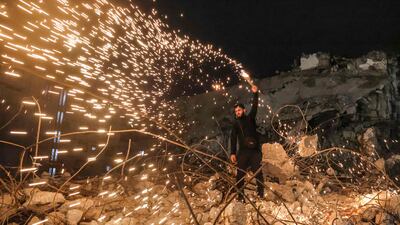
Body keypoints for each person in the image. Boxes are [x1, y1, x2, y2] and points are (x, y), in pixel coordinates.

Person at [230, 85, 264, 202]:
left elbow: (255, 107)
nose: (238, 112)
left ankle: (261, 195)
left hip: (254, 151)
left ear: (244, 110)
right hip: (243, 152)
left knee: (258, 173)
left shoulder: (250, 118)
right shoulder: (235, 124)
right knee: (240, 176)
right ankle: (241, 198)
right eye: (236, 111)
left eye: (239, 110)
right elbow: (233, 138)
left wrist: (255, 94)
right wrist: (232, 153)